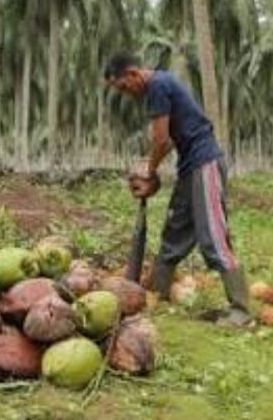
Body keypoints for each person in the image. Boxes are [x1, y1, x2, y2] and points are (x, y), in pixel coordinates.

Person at [104, 51, 251, 327]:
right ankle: (157, 294)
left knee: (213, 235)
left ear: (134, 73)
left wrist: (149, 172)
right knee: (175, 229)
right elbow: (168, 142)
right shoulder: (156, 89)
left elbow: (162, 141)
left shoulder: (158, 85)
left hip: (204, 162)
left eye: (124, 87)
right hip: (189, 166)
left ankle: (241, 310)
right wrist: (152, 172)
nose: (126, 93)